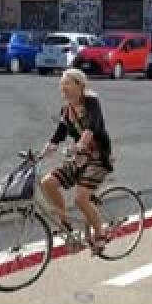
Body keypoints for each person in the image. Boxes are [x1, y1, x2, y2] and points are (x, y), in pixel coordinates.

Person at [39, 67, 114, 253]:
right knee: (48, 183)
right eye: (61, 83)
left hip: (98, 158)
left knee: (81, 199)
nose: (63, 87)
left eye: (67, 83)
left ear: (80, 86)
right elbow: (58, 135)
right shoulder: (67, 109)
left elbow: (92, 126)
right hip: (79, 158)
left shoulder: (91, 102)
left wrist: (80, 144)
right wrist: (42, 153)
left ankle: (100, 232)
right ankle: (67, 227)